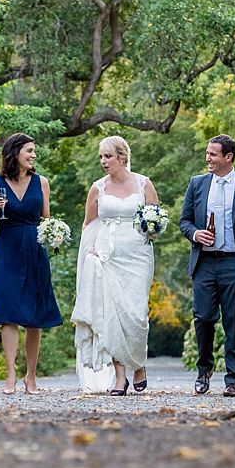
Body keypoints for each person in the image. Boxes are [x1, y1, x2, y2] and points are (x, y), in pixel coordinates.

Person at [72, 136, 159, 395]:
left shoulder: (144, 183)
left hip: (138, 256)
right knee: (112, 315)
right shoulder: (97, 188)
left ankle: (139, 365)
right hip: (107, 256)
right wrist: (90, 252)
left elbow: (155, 218)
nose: (103, 161)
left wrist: (153, 228)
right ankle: (120, 376)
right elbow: (89, 224)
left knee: (136, 314)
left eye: (107, 156)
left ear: (122, 156)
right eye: (100, 157)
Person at [179, 134, 235, 397]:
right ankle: (204, 369)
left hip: (234, 263)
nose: (208, 158)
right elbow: (184, 221)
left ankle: (233, 379)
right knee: (203, 318)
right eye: (207, 153)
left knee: (233, 321)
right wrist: (195, 234)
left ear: (229, 157)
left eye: (213, 154)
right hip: (204, 262)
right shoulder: (197, 184)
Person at [0, 133, 62, 395]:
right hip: (7, 249)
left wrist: (56, 235)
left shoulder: (42, 183)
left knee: (34, 316)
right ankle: (10, 376)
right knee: (9, 313)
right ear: (14, 152)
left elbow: (47, 221)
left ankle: (31, 376)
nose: (33, 155)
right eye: (29, 150)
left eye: (33, 151)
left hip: (35, 249)